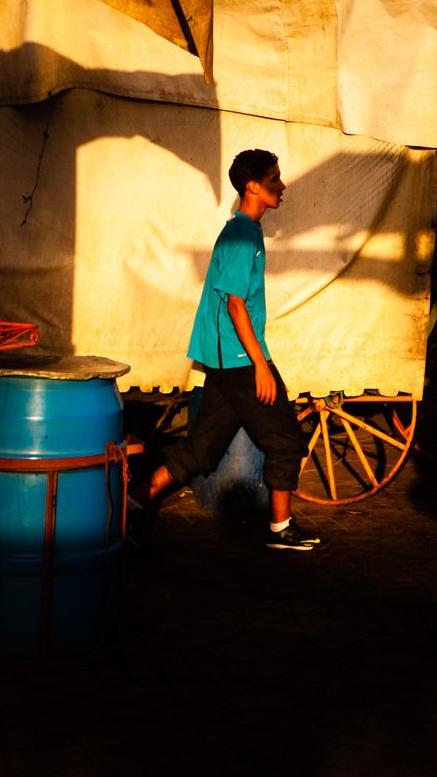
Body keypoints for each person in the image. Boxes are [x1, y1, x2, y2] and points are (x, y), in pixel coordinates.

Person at [130, 149, 321, 551]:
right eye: (274, 179)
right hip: (238, 361)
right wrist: (261, 367)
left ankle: (134, 501)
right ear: (253, 186)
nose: (282, 185)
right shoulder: (241, 235)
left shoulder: (244, 230)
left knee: (201, 449)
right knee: (285, 440)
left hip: (225, 360)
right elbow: (235, 304)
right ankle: (280, 527)